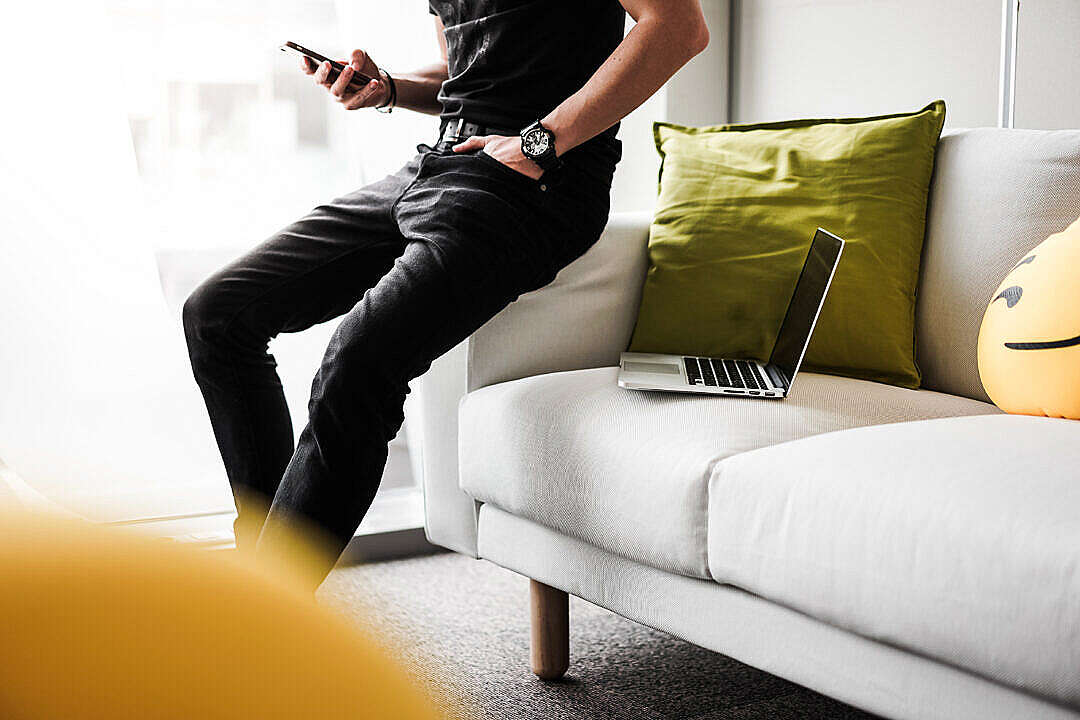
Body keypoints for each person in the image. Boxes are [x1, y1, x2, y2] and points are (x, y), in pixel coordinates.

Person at [183, 0, 709, 587]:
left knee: (359, 363)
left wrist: (540, 142)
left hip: (536, 185)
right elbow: (466, 78)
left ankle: (261, 614)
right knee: (215, 315)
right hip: (439, 163)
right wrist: (387, 89)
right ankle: (260, 583)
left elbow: (679, 28)